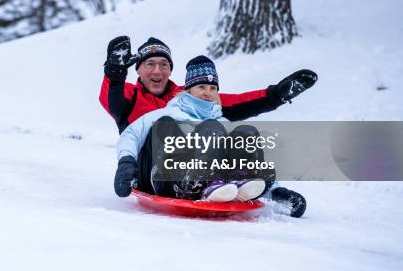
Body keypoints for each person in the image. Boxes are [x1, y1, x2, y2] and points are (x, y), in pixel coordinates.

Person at [113, 55, 316, 218]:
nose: (207, 93)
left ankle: (246, 184)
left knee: (245, 133)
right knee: (176, 126)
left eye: (212, 88)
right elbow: (130, 135)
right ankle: (191, 184)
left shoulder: (221, 121)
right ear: (189, 90)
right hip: (164, 181)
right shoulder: (164, 114)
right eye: (201, 87)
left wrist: (275, 191)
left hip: (214, 183)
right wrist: (126, 164)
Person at [100, 36, 316, 134]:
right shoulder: (129, 94)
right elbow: (113, 102)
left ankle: (268, 188)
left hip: (191, 164)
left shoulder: (187, 95)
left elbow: (235, 103)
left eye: (163, 64)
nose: (157, 71)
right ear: (137, 69)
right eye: (150, 64)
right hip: (148, 168)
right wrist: (115, 75)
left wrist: (275, 96)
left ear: (170, 70)